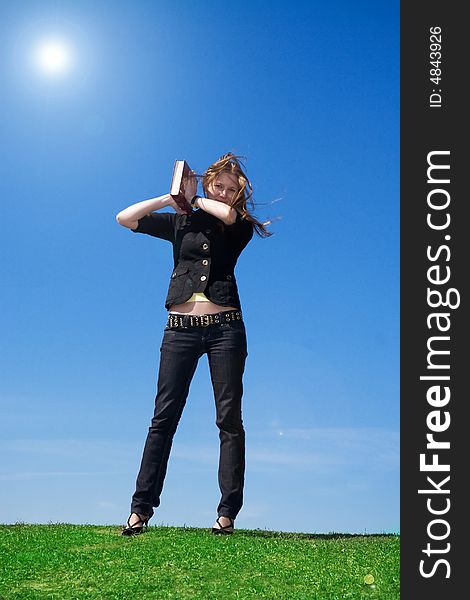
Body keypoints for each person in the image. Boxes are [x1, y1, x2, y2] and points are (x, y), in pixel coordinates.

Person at [115, 153, 271, 536]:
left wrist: (195, 199)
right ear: (208, 183)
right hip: (179, 330)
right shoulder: (179, 222)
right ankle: (140, 509)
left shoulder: (239, 224)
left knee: (228, 420)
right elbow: (126, 218)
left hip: (226, 329)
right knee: (163, 418)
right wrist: (171, 199)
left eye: (231, 190)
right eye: (219, 185)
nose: (225, 192)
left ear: (237, 196)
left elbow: (230, 217)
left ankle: (226, 515)